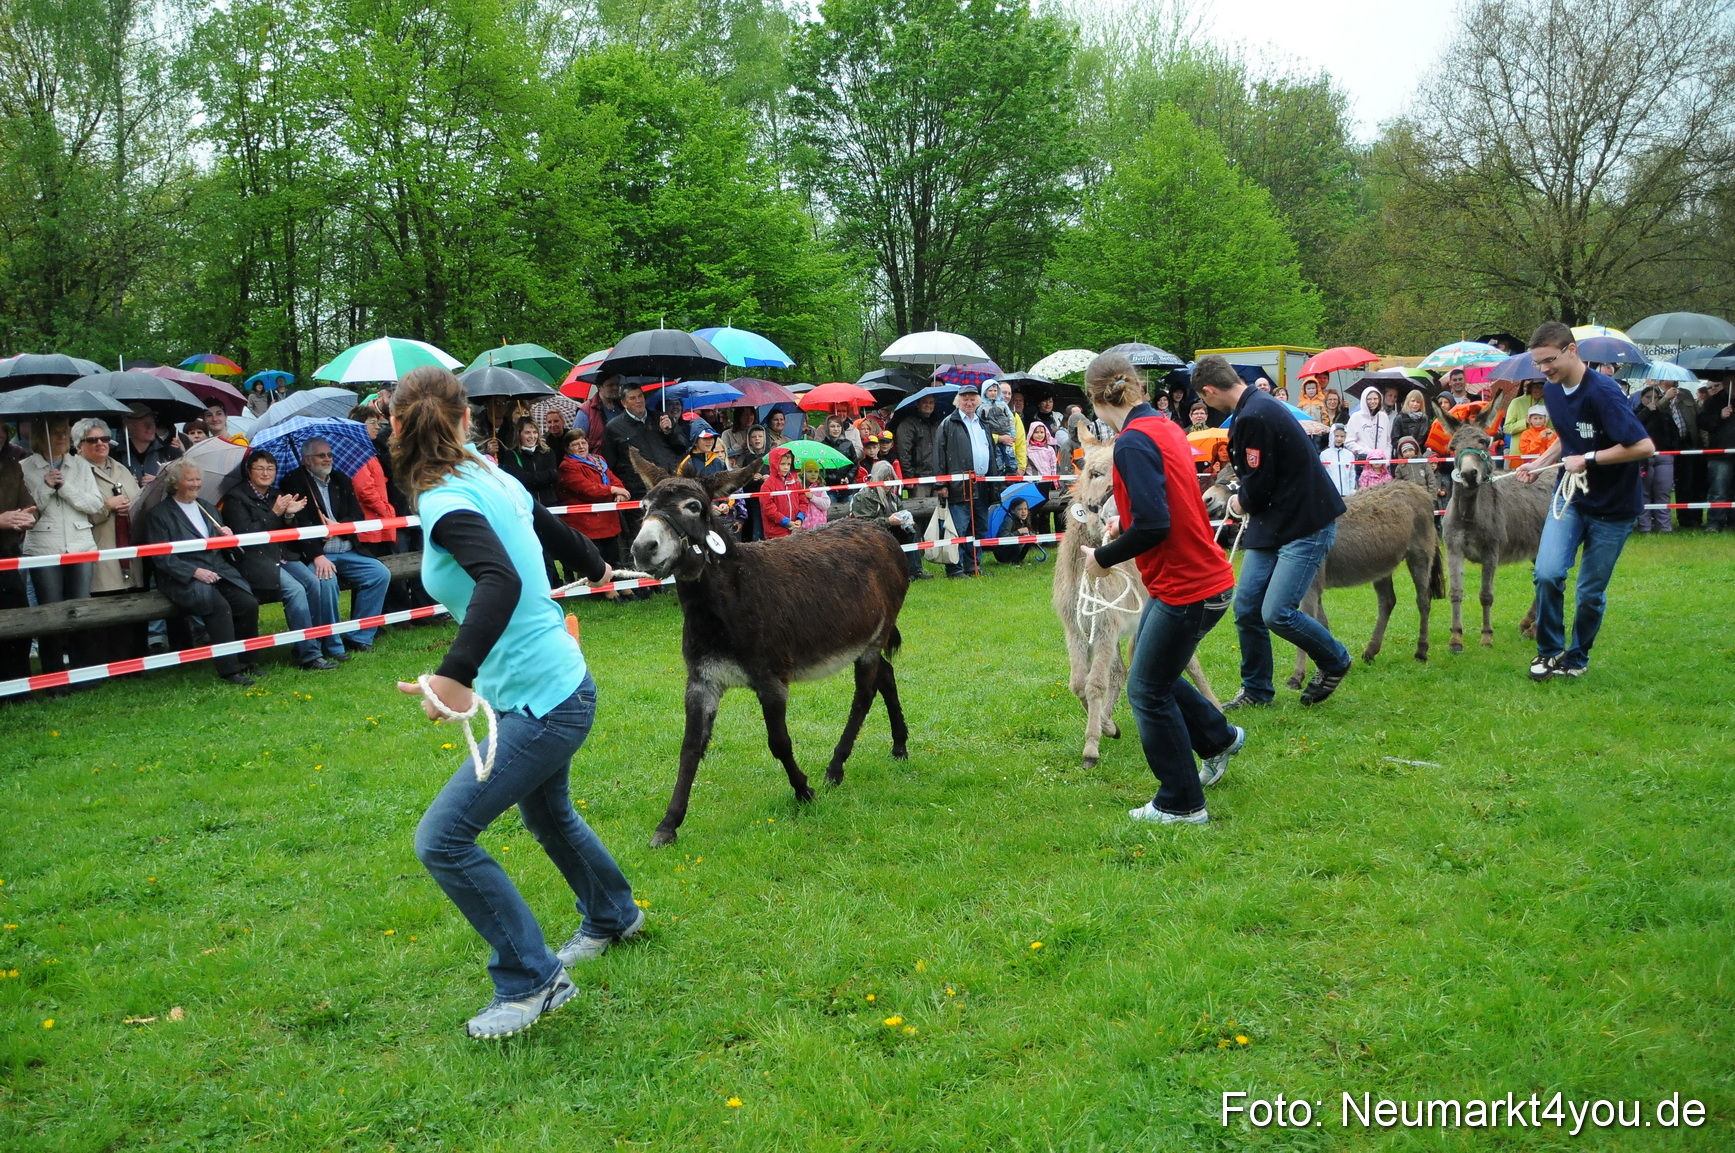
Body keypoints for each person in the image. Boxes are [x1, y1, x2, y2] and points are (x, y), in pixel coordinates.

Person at [385, 365, 638, 1041]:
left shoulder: (450, 497)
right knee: (549, 813)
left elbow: (498, 575)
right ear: (466, 420)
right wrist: (592, 560)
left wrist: (452, 676)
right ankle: (613, 913)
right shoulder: (486, 473)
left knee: (442, 838)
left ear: (397, 429)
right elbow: (540, 520)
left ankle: (531, 979)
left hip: (544, 700)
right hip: (558, 684)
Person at [1079, 353, 1240, 826]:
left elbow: (1155, 524)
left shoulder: (1131, 443)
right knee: (1157, 674)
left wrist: (1101, 558)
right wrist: (1121, 520)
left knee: (1146, 690)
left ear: (1096, 398)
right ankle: (1218, 738)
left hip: (1188, 588)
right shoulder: (1164, 426)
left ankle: (1182, 802)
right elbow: (1166, 504)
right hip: (1197, 580)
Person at [1196, 355, 1352, 707]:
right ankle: (1257, 691)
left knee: (1276, 612)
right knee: (1248, 608)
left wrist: (1239, 502)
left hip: (1304, 525)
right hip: (1275, 522)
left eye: (1206, 400)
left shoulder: (1253, 416)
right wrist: (1245, 494)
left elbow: (1260, 481)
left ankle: (1335, 659)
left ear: (1208, 391)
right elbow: (1265, 474)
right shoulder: (1257, 409)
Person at [1515, 321, 1655, 680]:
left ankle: (1576, 658)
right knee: (1546, 572)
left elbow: (1643, 446)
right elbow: (1568, 435)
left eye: (1549, 360)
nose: (1544, 370)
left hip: (1614, 508)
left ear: (1572, 351)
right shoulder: (1553, 390)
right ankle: (1548, 652)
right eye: (1538, 364)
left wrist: (1590, 458)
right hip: (1572, 499)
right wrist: (1540, 462)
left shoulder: (1604, 393)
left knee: (1589, 592)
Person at [223, 449, 347, 670]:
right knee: (296, 591)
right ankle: (309, 656)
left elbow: (287, 530)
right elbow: (247, 535)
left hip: (284, 555)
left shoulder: (277, 493)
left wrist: (289, 515)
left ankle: (312, 643)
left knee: (315, 583)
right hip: (256, 561)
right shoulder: (236, 497)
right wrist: (276, 513)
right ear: (249, 471)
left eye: (270, 468)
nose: (265, 473)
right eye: (259, 468)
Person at [142, 459, 261, 686]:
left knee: (247, 603)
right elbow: (162, 557)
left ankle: (248, 661)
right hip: (183, 577)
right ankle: (230, 670)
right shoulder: (159, 514)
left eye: (198, 479)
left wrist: (227, 537)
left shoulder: (207, 507)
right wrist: (195, 572)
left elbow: (223, 550)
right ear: (175, 483)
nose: (196, 484)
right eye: (190, 480)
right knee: (219, 608)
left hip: (218, 570)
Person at [280, 439, 393, 653]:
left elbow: (357, 516)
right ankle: (332, 644)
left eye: (330, 455)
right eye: (321, 455)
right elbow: (298, 524)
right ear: (306, 460)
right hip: (318, 554)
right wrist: (316, 554)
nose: (327, 459)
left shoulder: (341, 479)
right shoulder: (293, 481)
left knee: (380, 574)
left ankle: (360, 636)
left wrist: (338, 526)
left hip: (348, 549)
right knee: (325, 580)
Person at [22, 419, 104, 676]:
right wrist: (45, 487)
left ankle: (84, 672)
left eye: (64, 434)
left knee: (80, 609)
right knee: (50, 611)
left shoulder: (80, 464)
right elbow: (28, 512)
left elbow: (94, 504)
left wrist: (64, 487)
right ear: (39, 436)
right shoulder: (24, 467)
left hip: (80, 545)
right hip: (43, 547)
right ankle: (54, 674)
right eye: (55, 433)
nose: (61, 438)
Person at [74, 418, 146, 665]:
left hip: (128, 545)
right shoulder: (76, 472)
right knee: (105, 603)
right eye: (92, 440)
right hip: (99, 545)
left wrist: (130, 507)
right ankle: (104, 663)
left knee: (131, 602)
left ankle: (131, 661)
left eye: (104, 439)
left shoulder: (121, 468)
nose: (100, 444)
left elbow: (137, 499)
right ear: (79, 446)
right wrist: (107, 506)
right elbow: (77, 511)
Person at [933, 383, 995, 578]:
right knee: (958, 528)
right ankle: (954, 567)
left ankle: (973, 565)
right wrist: (941, 484)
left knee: (978, 527)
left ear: (978, 401)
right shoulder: (947, 424)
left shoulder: (983, 423)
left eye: (972, 399)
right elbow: (938, 456)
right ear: (958, 401)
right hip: (959, 486)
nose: (969, 402)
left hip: (982, 484)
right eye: (965, 399)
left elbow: (990, 452)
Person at [554, 427, 629, 572]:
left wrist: (620, 492)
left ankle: (622, 587)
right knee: (596, 559)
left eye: (583, 442)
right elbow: (587, 489)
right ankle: (606, 591)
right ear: (568, 449)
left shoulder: (599, 460)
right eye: (576, 444)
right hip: (586, 523)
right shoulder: (567, 467)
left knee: (614, 558)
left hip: (608, 520)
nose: (581, 447)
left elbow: (613, 479)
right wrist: (613, 490)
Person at [348, 406, 399, 557]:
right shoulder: (357, 452)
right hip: (370, 524)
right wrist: (385, 511)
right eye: (372, 422)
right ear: (359, 425)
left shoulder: (367, 450)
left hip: (377, 523)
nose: (377, 427)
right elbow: (364, 489)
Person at [1633, 387, 1678, 533]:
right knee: (1644, 493)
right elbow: (1632, 426)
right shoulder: (1634, 412)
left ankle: (1665, 527)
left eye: (1656, 397)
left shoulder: (1665, 414)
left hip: (1664, 456)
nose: (1652, 400)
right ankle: (1645, 526)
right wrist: (1646, 411)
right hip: (1643, 458)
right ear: (1641, 398)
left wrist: (1673, 449)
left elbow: (1674, 433)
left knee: (1663, 492)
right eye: (1648, 397)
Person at [1699, 379, 1735, 531]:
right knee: (1718, 490)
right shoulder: (1713, 401)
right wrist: (1719, 416)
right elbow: (1702, 422)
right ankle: (1715, 522)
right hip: (1720, 452)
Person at [499, 416, 559, 506]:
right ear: (519, 434)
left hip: (550, 504)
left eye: (535, 432)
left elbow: (554, 475)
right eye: (527, 432)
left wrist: (529, 477)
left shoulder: (548, 452)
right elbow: (520, 479)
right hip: (526, 505)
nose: (532, 436)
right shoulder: (511, 455)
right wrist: (544, 476)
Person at [120, 403, 181, 486]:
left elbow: (182, 483)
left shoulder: (171, 453)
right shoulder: (116, 456)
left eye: (152, 422)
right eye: (144, 423)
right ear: (129, 427)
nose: (150, 426)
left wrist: (159, 483)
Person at [1344, 387, 1393, 482]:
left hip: (1382, 466)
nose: (1372, 401)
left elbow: (1388, 442)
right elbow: (1349, 442)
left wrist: (1385, 459)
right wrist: (1370, 453)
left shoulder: (1383, 416)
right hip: (1364, 464)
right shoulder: (1355, 417)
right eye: (1369, 399)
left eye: (1375, 399)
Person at [893, 396, 938, 497]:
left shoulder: (937, 423)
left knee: (939, 511)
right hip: (918, 478)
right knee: (919, 510)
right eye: (925, 402)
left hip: (938, 477)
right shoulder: (908, 424)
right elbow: (904, 451)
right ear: (917, 404)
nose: (928, 405)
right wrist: (909, 476)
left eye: (931, 402)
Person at [758, 446, 807, 538]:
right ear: (774, 464)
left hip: (795, 530)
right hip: (775, 533)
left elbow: (803, 502)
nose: (786, 467)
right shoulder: (767, 485)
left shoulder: (796, 483)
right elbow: (768, 509)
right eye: (782, 464)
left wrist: (800, 518)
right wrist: (785, 522)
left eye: (788, 464)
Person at [1024, 421, 1059, 534]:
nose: (1039, 435)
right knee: (1033, 510)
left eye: (1042, 432)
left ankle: (1046, 535)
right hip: (1032, 482)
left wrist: (1055, 481)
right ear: (1031, 433)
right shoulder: (1026, 449)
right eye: (1036, 432)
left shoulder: (1050, 449)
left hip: (1046, 482)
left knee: (1045, 510)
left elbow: (1053, 466)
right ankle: (1032, 532)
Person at [1392, 389, 1432, 459]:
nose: (1415, 404)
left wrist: (1427, 448)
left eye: (1418, 402)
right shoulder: (1399, 418)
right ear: (1408, 402)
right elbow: (1395, 439)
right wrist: (1407, 449)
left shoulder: (1425, 419)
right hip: (1403, 455)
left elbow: (1427, 438)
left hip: (1420, 455)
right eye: (1413, 401)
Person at [1320, 425, 1357, 496]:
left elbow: (1352, 475)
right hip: (1331, 494)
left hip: (1346, 494)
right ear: (1331, 436)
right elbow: (1322, 475)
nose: (1339, 439)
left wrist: (1351, 490)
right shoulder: (1324, 454)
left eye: (1342, 436)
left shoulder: (1349, 455)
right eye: (1336, 436)